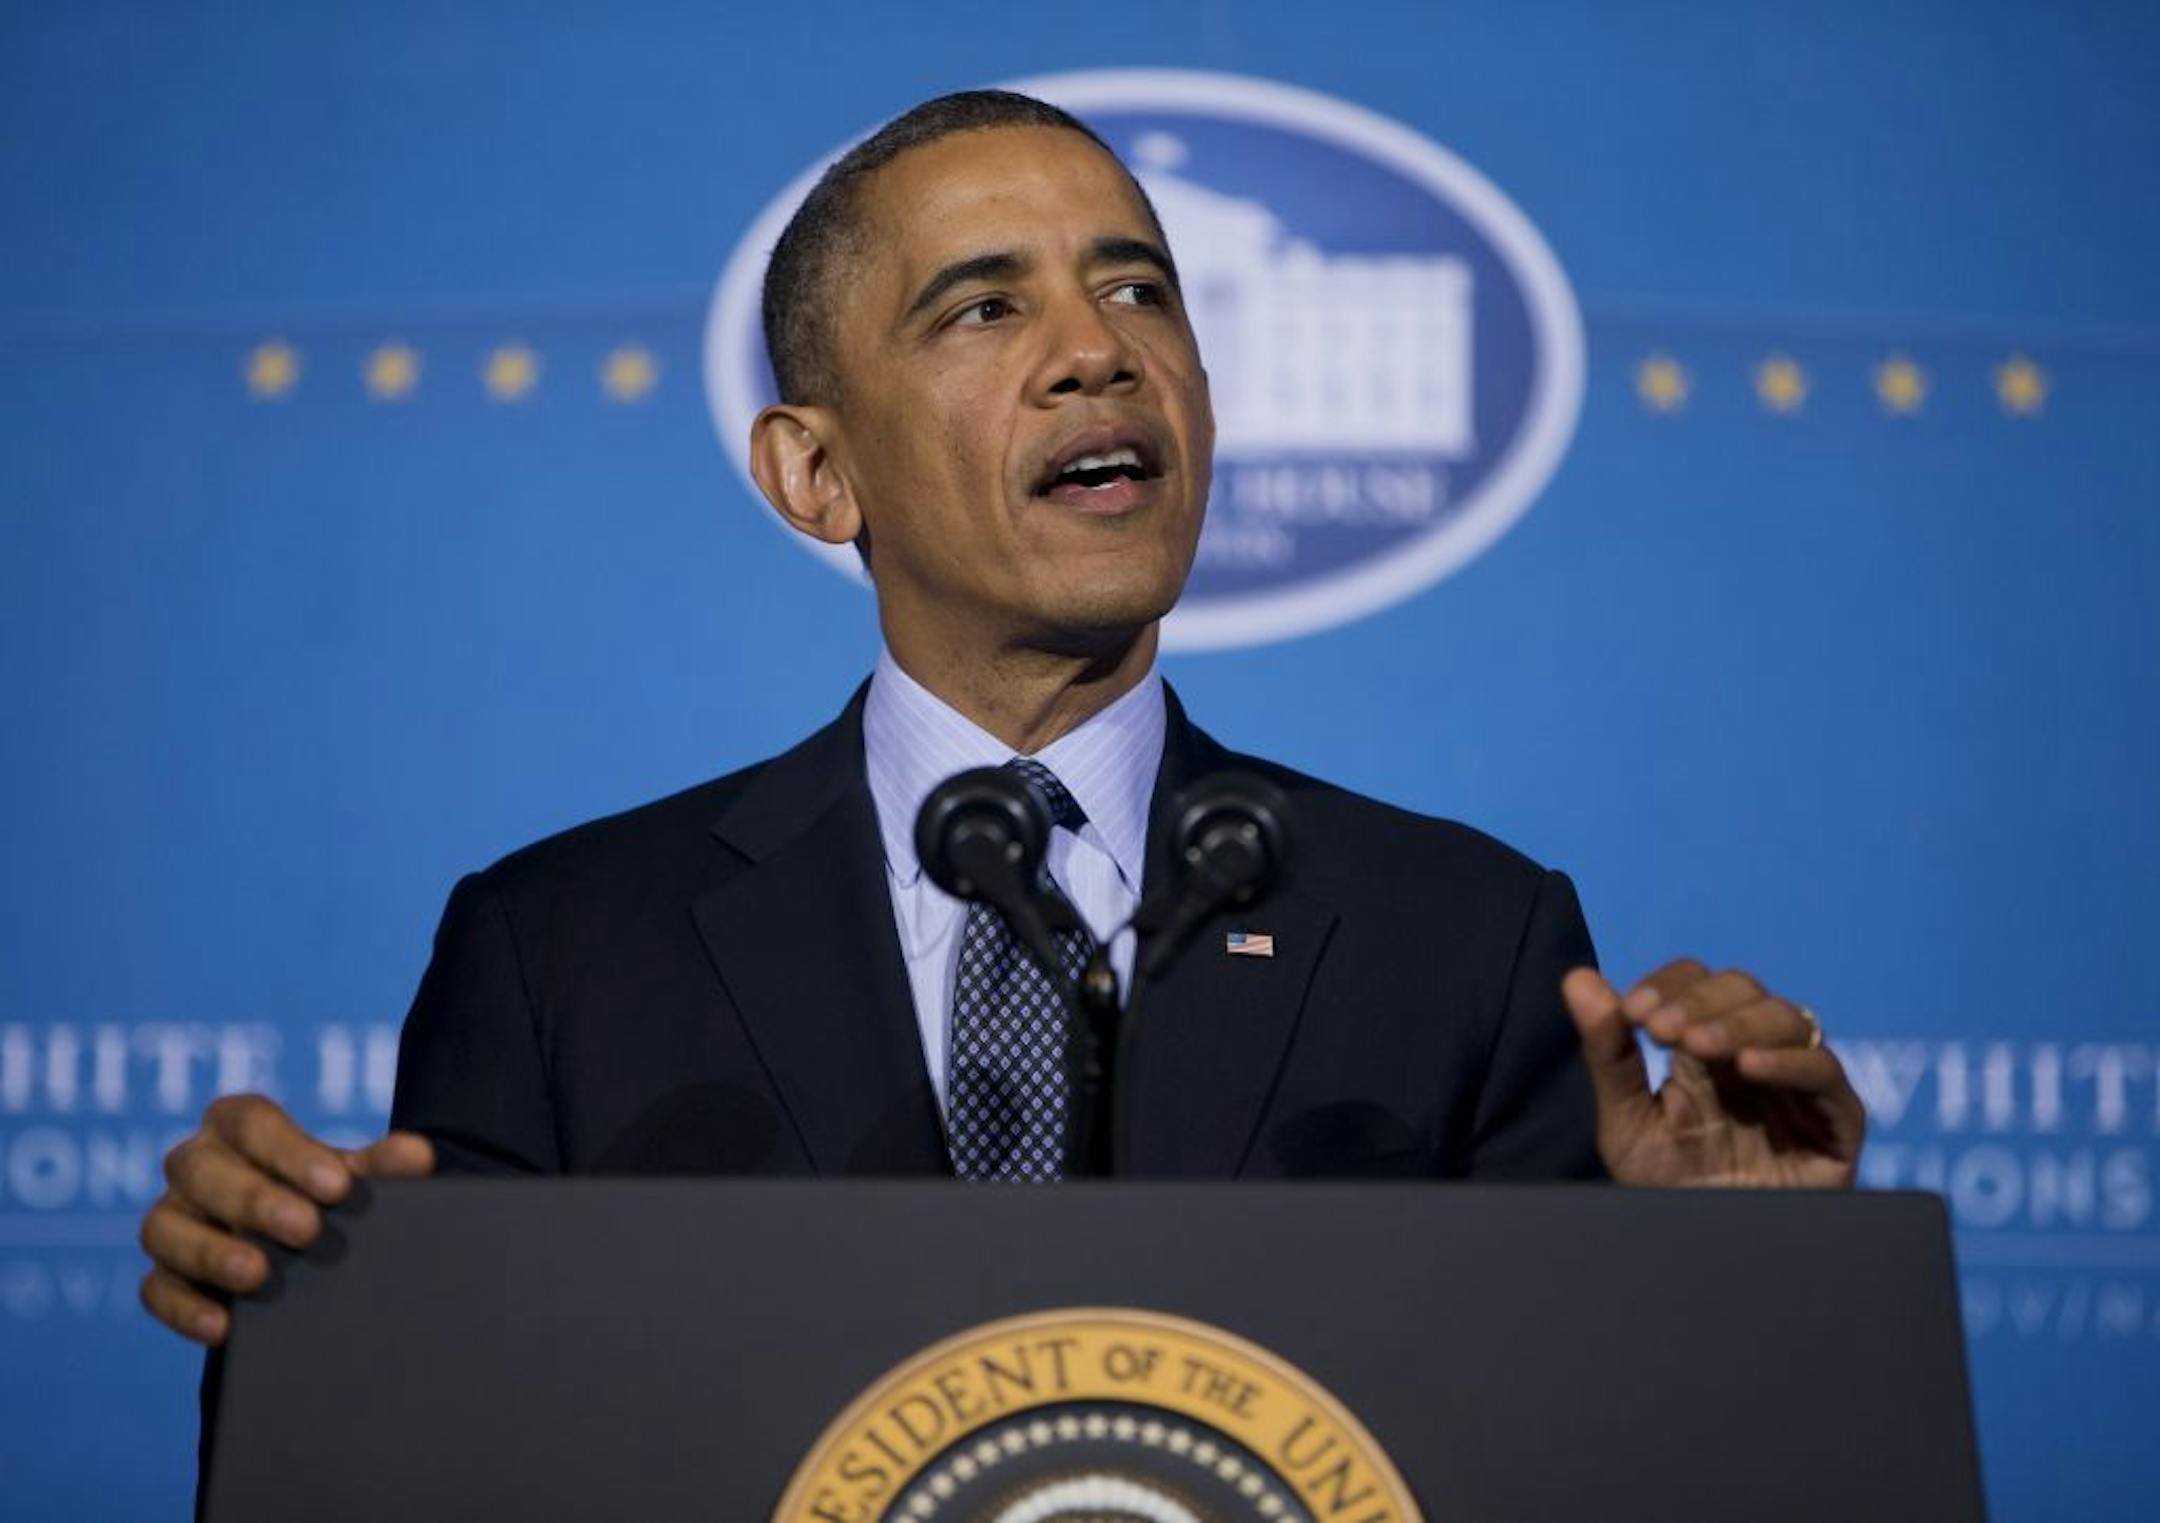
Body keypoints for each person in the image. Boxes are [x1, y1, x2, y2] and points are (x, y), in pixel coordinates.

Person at [137, 90, 1865, 1352]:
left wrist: (1731, 1294)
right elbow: (432, 1450)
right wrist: (295, 1306)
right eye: (983, 307)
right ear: (815, 472)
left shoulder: (1470, 942)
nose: (1095, 353)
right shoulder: (561, 952)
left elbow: (1583, 1457)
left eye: (1138, 290)